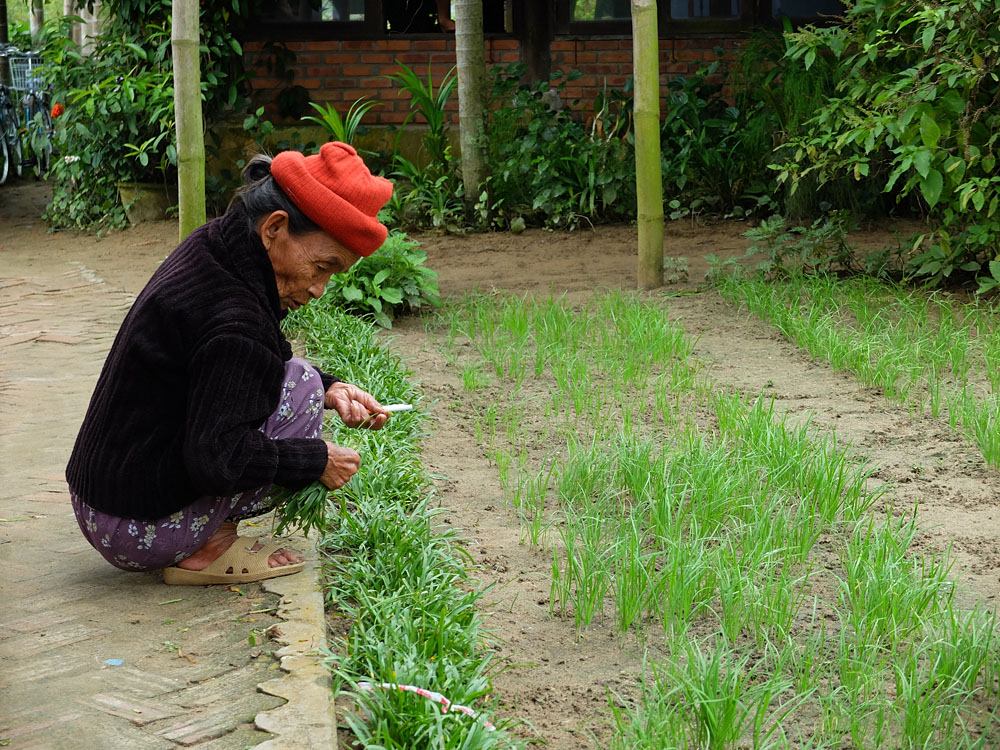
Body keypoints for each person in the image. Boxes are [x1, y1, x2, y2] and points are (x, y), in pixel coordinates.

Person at [66, 142, 395, 586]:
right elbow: (216, 459)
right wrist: (314, 460)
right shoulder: (236, 321)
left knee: (306, 383)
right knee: (300, 390)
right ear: (275, 227)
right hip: (137, 527)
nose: (319, 288)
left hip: (101, 496)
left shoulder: (216, 245)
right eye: (322, 266)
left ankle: (201, 533)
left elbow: (242, 369)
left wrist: (332, 387)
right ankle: (208, 546)